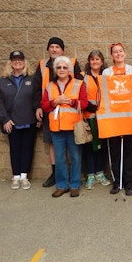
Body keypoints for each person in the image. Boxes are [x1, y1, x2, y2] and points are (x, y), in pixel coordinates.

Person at [32, 37, 83, 188]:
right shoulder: (42, 65)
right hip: (51, 111)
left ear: (63, 50)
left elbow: (80, 85)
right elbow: (36, 89)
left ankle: (71, 177)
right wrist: (38, 107)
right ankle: (56, 174)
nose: (54, 49)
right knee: (54, 145)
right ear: (48, 49)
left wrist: (71, 100)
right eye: (51, 47)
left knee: (71, 148)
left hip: (70, 113)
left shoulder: (72, 63)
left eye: (57, 47)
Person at [40, 56, 88, 198]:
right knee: (59, 158)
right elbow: (44, 105)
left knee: (75, 157)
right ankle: (61, 185)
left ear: (69, 70)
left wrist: (72, 102)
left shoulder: (79, 84)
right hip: (56, 128)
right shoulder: (49, 85)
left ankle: (74, 185)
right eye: (59, 67)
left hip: (73, 127)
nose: (62, 70)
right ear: (55, 70)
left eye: (64, 67)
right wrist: (55, 102)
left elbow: (84, 104)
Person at [101, 42, 132, 196]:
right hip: (113, 118)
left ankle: (130, 183)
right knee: (115, 152)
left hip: (131, 117)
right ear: (112, 55)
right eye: (115, 52)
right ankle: (118, 182)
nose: (118, 54)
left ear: (125, 53)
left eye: (120, 51)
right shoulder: (106, 73)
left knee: (131, 152)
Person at [0, 51, 39, 190]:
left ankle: (24, 177)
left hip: (29, 120)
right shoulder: (3, 81)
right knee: (14, 149)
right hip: (12, 122)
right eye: (14, 60)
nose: (17, 62)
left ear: (24, 62)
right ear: (10, 63)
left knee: (27, 149)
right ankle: (15, 176)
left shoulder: (32, 79)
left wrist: (38, 116)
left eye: (20, 59)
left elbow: (37, 98)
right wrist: (5, 119)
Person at [82, 50, 111, 190]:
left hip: (104, 118)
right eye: (92, 59)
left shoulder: (106, 76)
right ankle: (90, 174)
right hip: (89, 117)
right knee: (89, 147)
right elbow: (81, 97)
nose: (95, 62)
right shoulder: (83, 77)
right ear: (89, 61)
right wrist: (94, 109)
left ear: (102, 61)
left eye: (97, 59)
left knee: (102, 147)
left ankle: (100, 172)